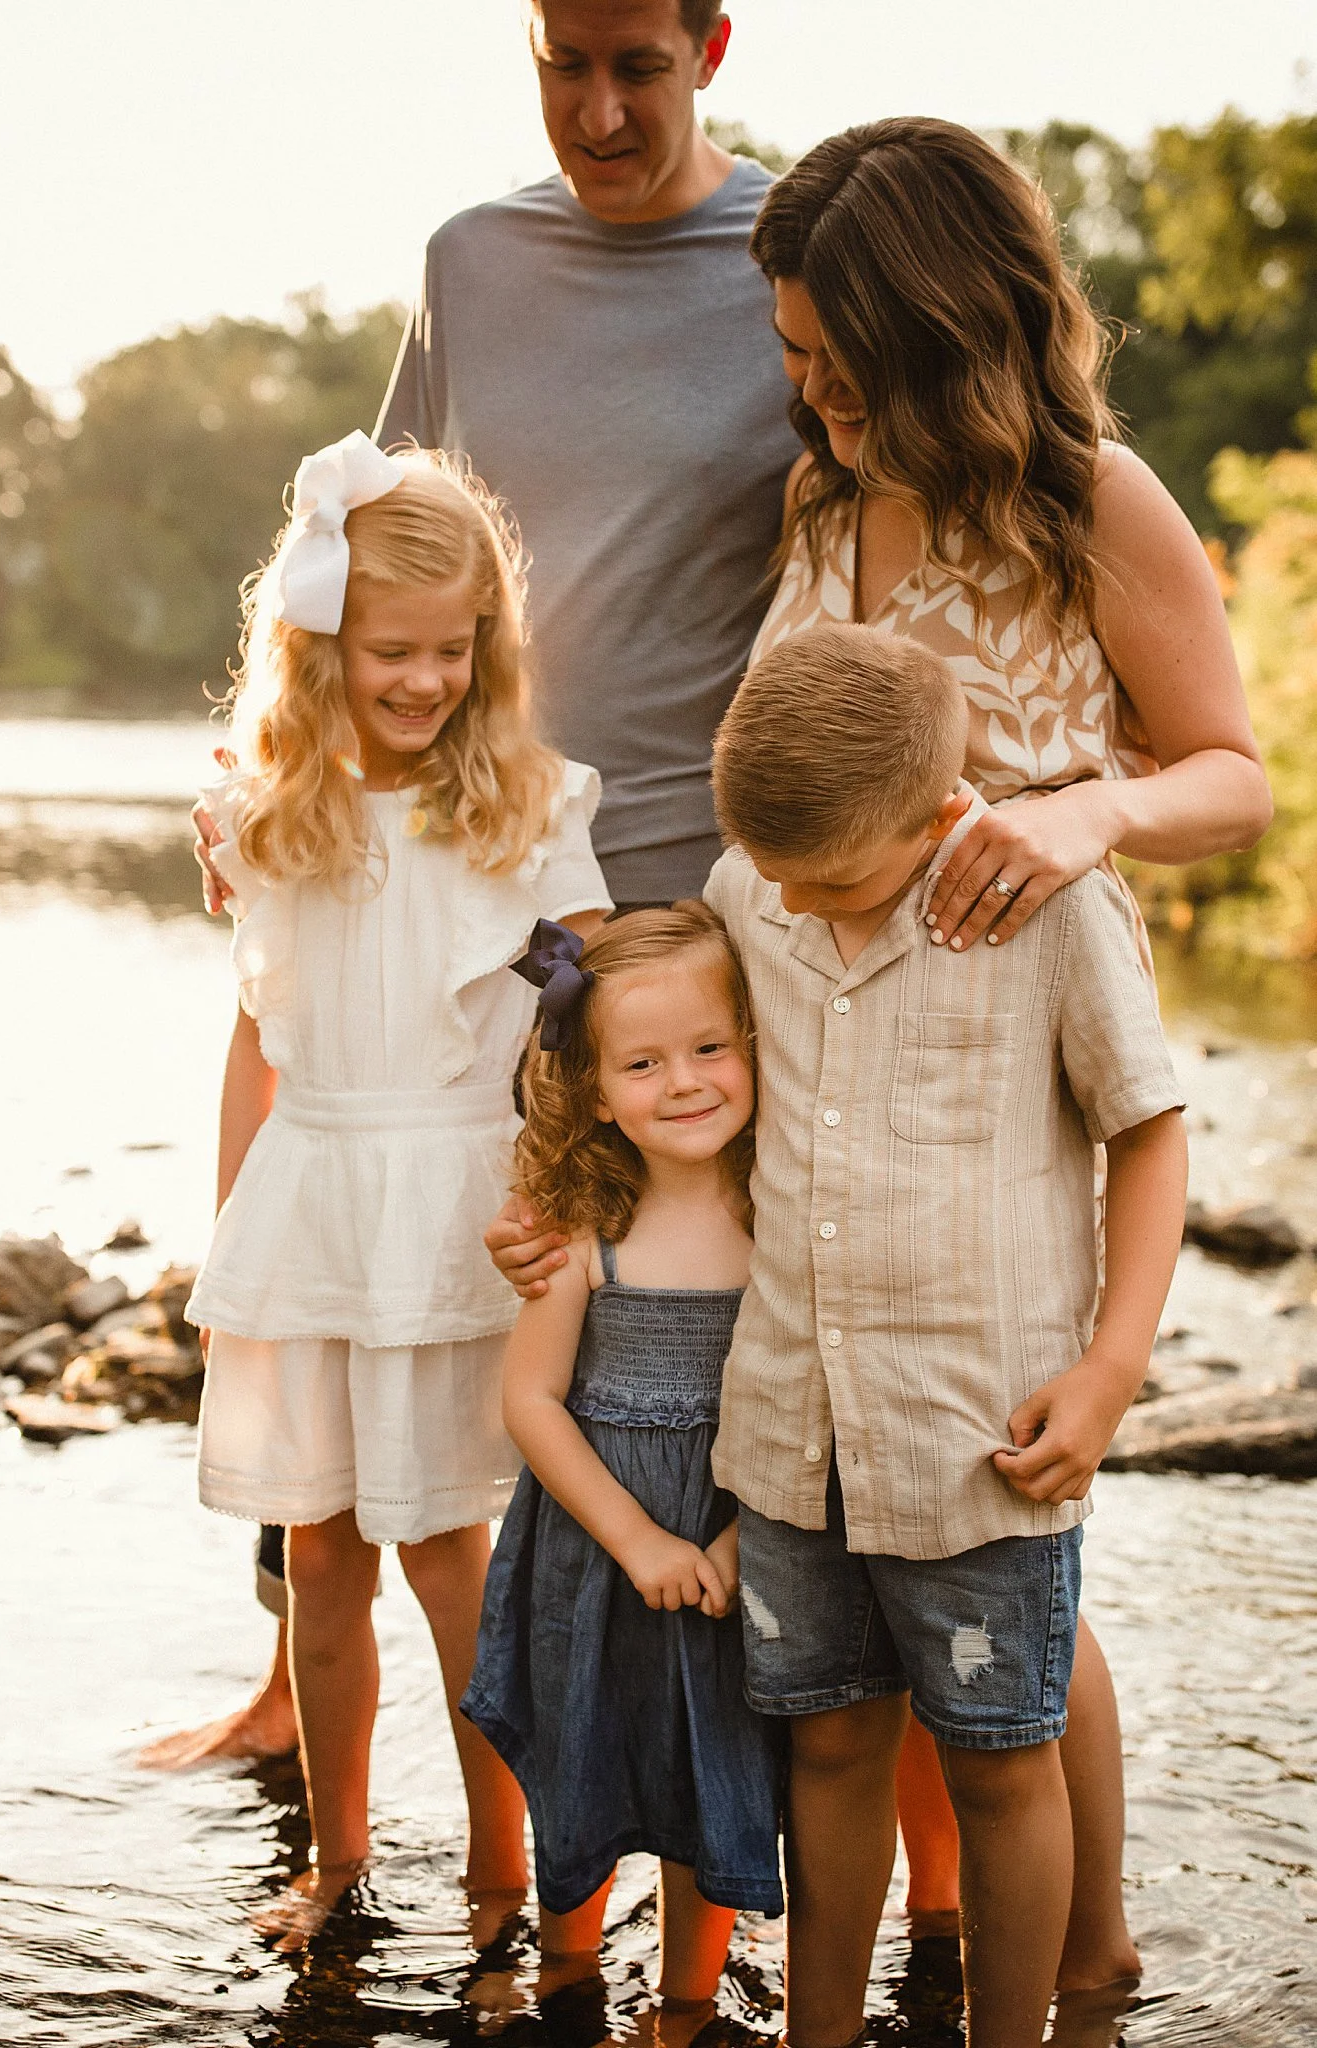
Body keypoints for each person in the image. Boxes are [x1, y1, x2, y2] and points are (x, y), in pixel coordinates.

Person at [491, 113, 1273, 1990]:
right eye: (792, 362)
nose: (814, 398)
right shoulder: (825, 507)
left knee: (1003, 1546)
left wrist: (1088, 811)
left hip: (1006, 1056)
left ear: (947, 328)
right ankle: (942, 1942)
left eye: (841, 363)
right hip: (814, 1059)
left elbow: (1229, 775)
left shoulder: (1093, 503)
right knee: (860, 1552)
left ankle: (1084, 1959)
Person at [175, 0, 800, 1775]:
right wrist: (259, 772)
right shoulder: (471, 259)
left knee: (654, 1360)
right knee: (347, 1248)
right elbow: (360, 550)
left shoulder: (787, 264)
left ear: (712, 45)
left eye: (638, 67)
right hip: (424, 862)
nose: (598, 109)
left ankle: (685, 1769)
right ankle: (305, 1690)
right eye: (561, 61)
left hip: (680, 909)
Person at [708, 619, 1189, 2048]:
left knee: (999, 1764)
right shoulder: (756, 887)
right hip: (795, 1429)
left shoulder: (1056, 910)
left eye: (836, 880)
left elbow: (1151, 1137)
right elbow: (622, 1003)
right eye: (779, 876)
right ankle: (822, 2031)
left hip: (982, 1434)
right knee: (834, 1740)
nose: (802, 900)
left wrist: (1112, 1372)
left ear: (936, 816)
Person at [182, 429, 613, 1944]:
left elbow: (581, 1022)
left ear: (486, 649)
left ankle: (507, 1880)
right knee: (317, 1554)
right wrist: (234, 1237)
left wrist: (563, 1194)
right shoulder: (265, 816)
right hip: (314, 1201)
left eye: (451, 650)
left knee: (448, 1554)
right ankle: (343, 1863)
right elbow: (257, 1041)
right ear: (317, 650)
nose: (423, 679)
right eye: (388, 652)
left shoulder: (528, 810)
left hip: (454, 1211)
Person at [460, 906, 784, 2032]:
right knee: (583, 1749)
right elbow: (530, 1399)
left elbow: (807, 1401)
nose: (685, 1082)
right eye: (643, 1062)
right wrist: (638, 1538)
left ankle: (687, 2001)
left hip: (736, 1541)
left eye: (710, 1047)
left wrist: (748, 1538)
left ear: (756, 1044)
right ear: (596, 1090)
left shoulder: (786, 1219)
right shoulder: (581, 1222)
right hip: (594, 1549)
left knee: (716, 1766)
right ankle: (567, 1975)